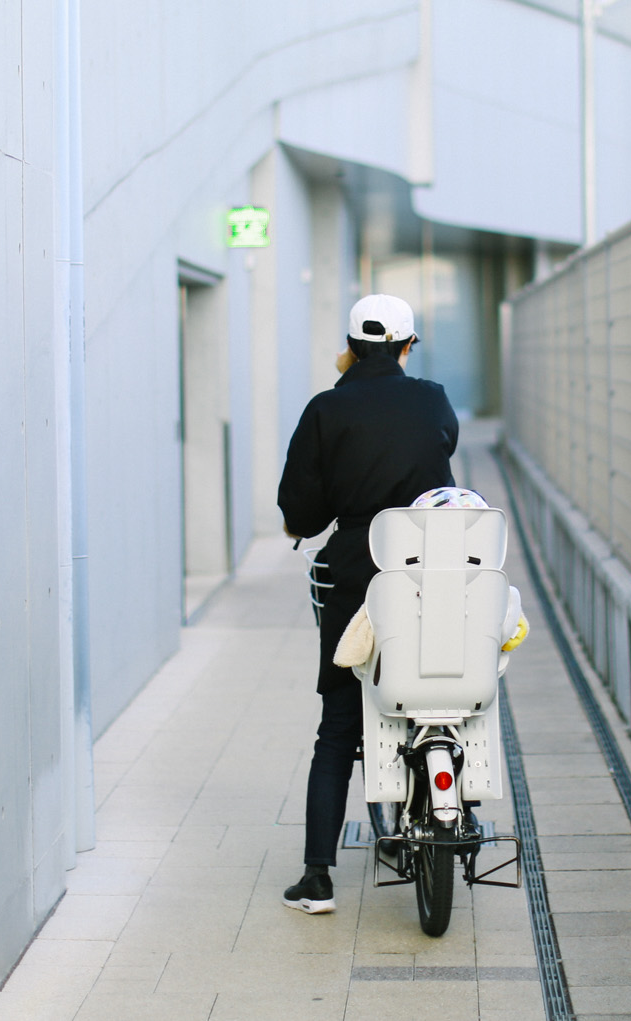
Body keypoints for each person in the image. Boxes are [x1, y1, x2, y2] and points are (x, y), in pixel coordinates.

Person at [275, 293, 459, 913]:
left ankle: (317, 877)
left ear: (351, 347)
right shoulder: (431, 397)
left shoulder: (327, 407)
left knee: (338, 724)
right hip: (433, 570)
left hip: (357, 575)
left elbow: (302, 509)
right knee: (440, 692)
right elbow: (442, 452)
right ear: (409, 346)